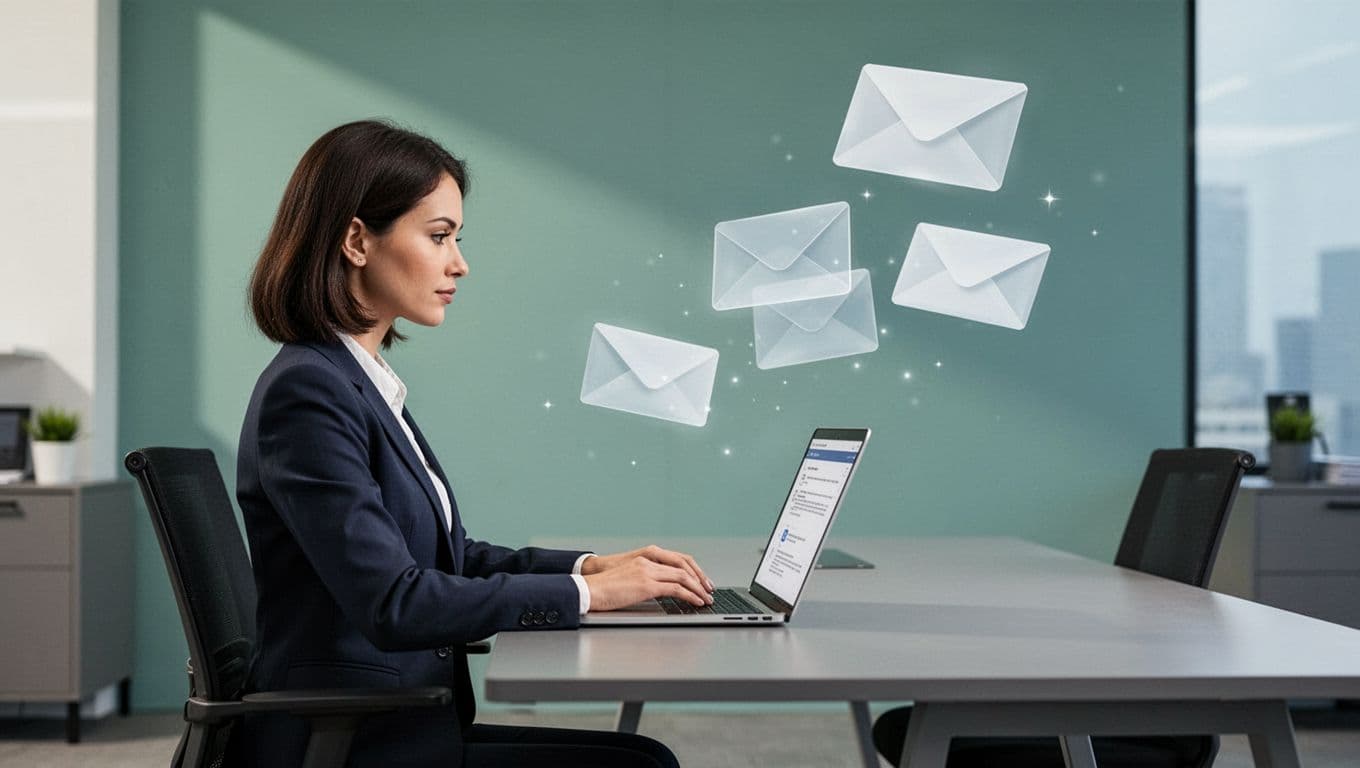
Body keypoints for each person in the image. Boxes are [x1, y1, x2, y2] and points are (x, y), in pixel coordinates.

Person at [233, 119, 714, 768]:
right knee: (641, 765)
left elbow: (448, 557)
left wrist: (587, 569)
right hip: (353, 743)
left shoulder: (357, 382)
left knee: (641, 758)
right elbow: (394, 601)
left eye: (457, 238)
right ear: (356, 240)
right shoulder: (310, 394)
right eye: (438, 237)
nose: (459, 262)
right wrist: (590, 598)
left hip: (393, 723)